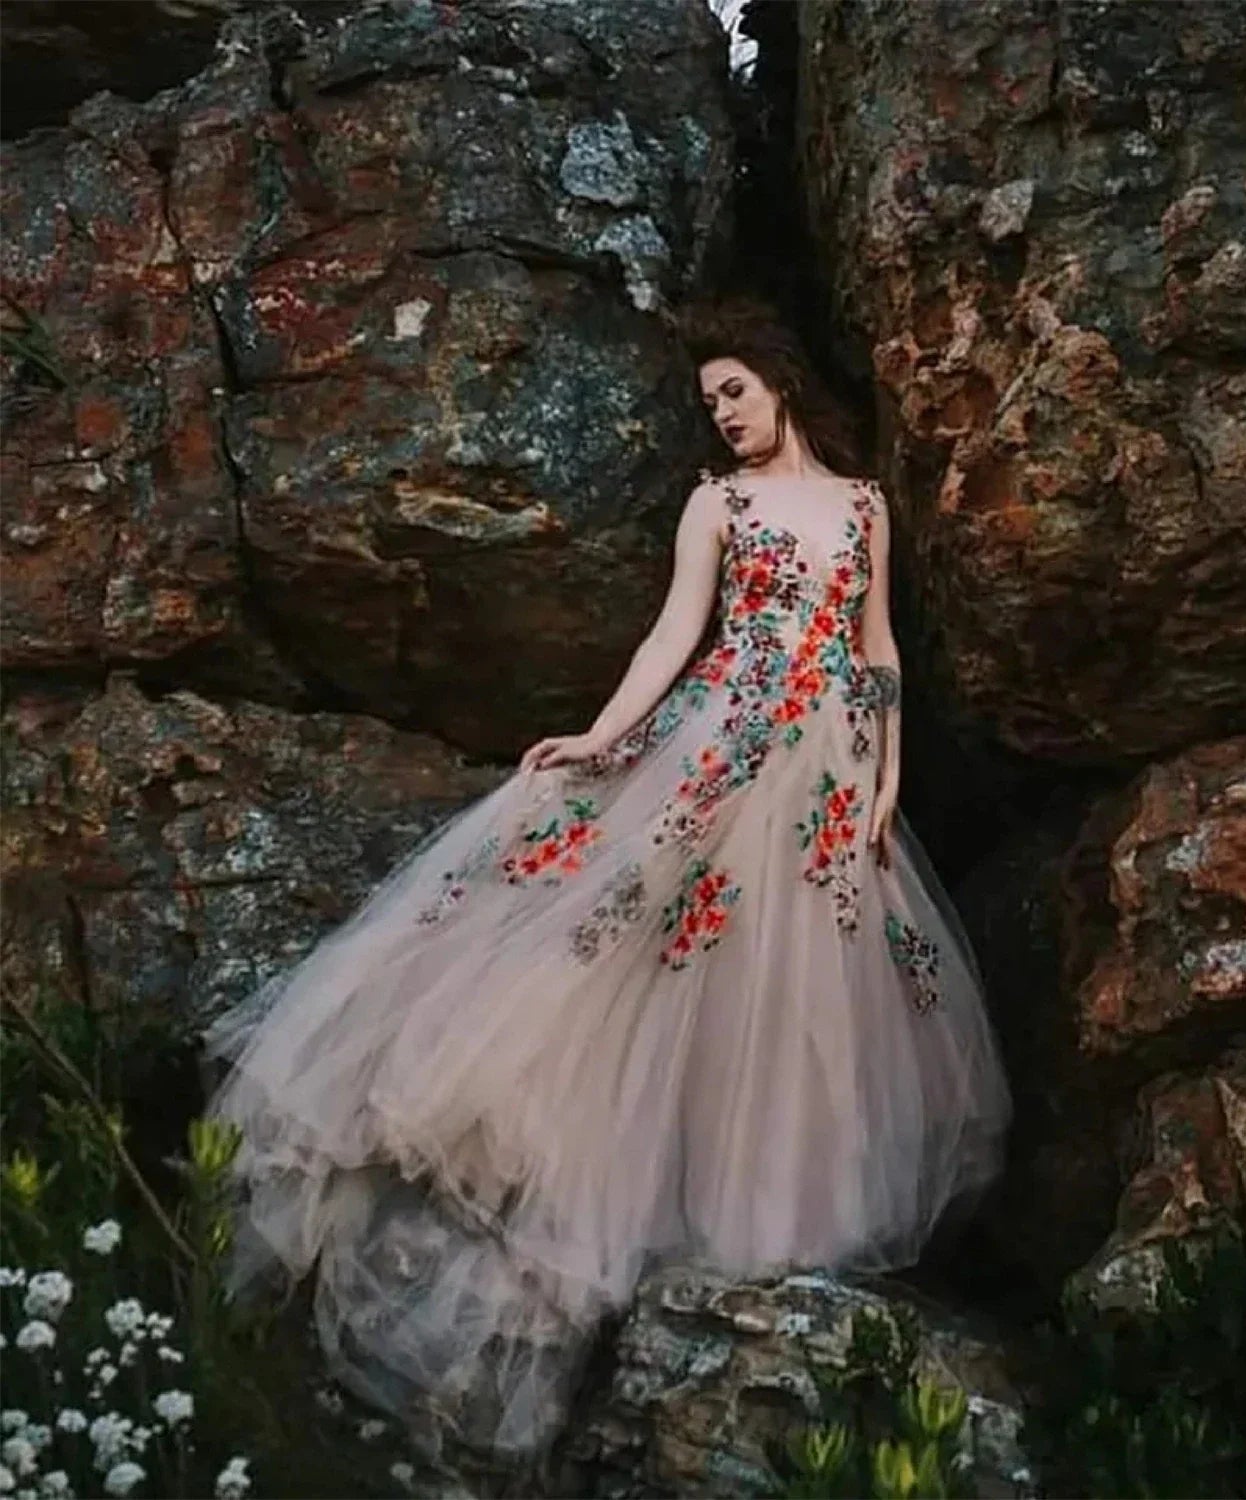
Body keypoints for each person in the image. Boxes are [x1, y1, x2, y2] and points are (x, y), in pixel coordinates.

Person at [200, 296, 1013, 1465]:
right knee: (650, 946)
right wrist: (596, 740)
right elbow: (671, 637)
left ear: (780, 381)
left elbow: (877, 647)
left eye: (735, 390)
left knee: (809, 986)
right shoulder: (716, 504)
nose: (723, 415)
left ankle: (777, 1229)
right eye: (709, 402)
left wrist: (884, 775)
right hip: (723, 739)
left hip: (827, 767)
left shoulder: (864, 505)